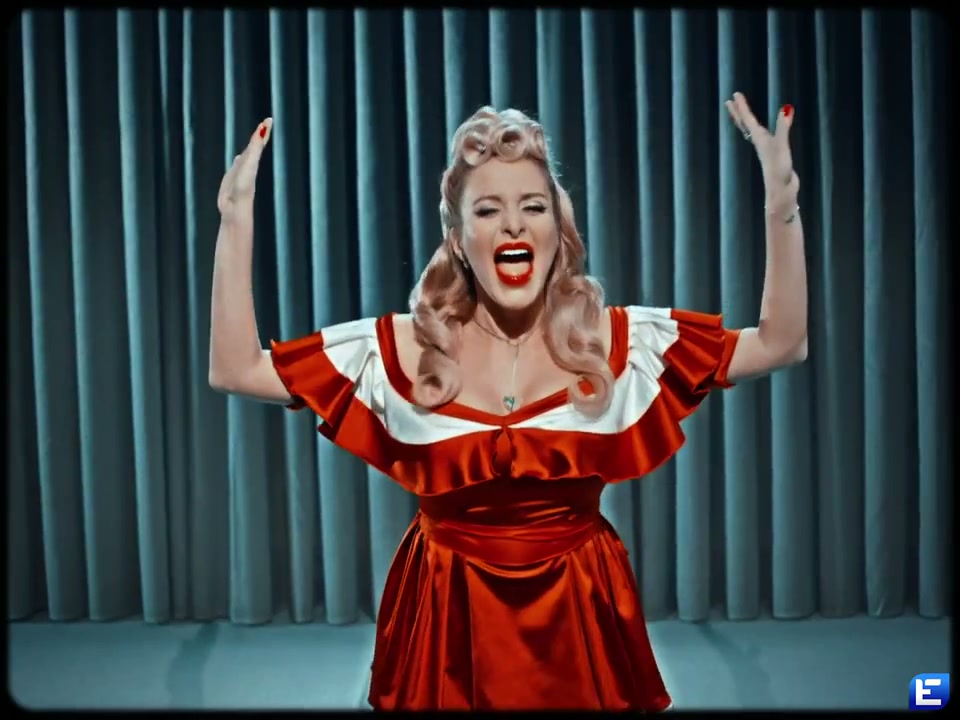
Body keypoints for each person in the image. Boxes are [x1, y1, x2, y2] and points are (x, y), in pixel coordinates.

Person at [208, 93, 807, 711]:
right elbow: (236, 369)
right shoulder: (393, 349)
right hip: (444, 617)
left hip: (577, 614)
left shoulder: (624, 344)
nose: (514, 225)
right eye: (488, 210)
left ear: (557, 233)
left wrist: (782, 203)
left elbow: (781, 343)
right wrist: (234, 220)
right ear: (459, 239)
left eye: (533, 207)